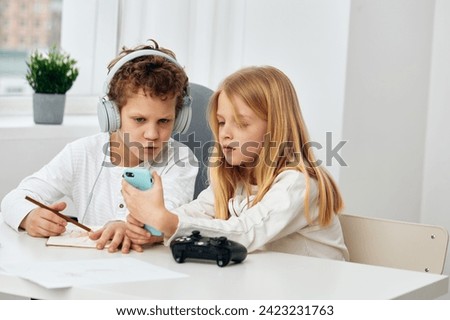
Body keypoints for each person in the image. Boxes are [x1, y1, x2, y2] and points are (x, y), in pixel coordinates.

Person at [122, 65, 349, 260]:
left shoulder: (298, 183)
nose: (225, 134)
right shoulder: (235, 177)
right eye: (221, 122)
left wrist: (166, 221)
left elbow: (244, 233)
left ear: (275, 129)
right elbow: (199, 211)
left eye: (241, 123)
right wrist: (153, 228)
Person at [1, 39, 198, 253]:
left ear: (178, 120)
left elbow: (164, 217)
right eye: (139, 119)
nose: (152, 134)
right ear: (112, 115)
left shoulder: (181, 160)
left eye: (164, 121)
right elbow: (14, 198)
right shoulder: (82, 153)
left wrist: (128, 227)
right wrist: (29, 217)